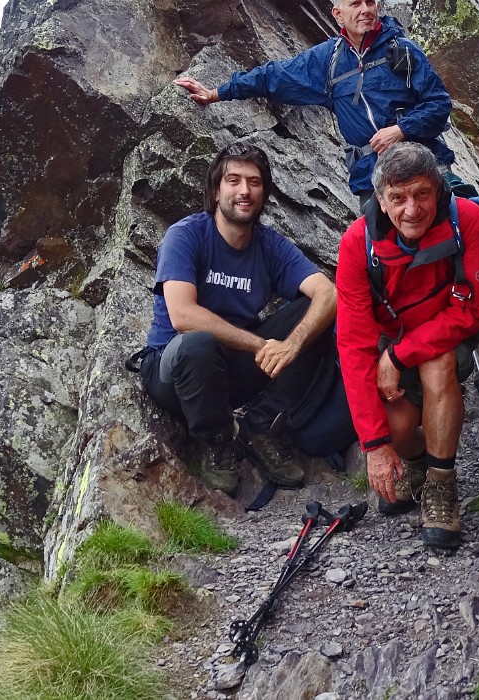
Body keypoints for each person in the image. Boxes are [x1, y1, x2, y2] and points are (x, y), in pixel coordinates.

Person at [137, 143, 337, 496]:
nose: (244, 191)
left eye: (254, 182)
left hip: (235, 370)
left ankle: (261, 426)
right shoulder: (185, 235)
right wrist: (263, 345)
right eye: (233, 180)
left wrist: (290, 346)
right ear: (216, 190)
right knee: (197, 343)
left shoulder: (270, 246)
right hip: (177, 371)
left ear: (263, 193)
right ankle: (216, 440)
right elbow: (183, 316)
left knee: (316, 315)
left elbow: (328, 292)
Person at [335, 143, 479, 550]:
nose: (412, 209)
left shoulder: (468, 220)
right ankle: (417, 465)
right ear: (381, 202)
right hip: (393, 336)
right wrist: (373, 446)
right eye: (398, 198)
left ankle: (441, 486)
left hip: (446, 332)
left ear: (438, 191)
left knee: (437, 364)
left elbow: (472, 310)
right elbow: (352, 342)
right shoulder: (357, 244)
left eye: (422, 194)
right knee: (395, 427)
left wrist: (397, 355)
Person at [173, 0, 455, 199]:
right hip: (373, 178)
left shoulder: (403, 51)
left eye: (370, 3)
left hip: (424, 165)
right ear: (338, 13)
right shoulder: (327, 61)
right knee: (377, 259)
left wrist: (401, 130)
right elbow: (274, 76)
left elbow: (440, 105)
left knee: (457, 232)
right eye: (356, 4)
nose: (366, 10)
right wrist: (216, 93)